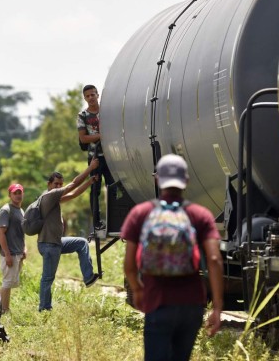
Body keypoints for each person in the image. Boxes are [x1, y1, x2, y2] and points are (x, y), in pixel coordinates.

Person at [121, 154, 224, 361]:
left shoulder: (140, 213)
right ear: (186, 181)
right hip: (191, 304)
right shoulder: (200, 214)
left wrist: (138, 290)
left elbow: (129, 264)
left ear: (157, 179)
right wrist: (218, 307)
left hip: (157, 301)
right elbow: (214, 260)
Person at [37, 158, 101, 312]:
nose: (59, 187)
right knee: (48, 278)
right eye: (56, 184)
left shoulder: (54, 199)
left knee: (81, 242)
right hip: (49, 244)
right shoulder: (48, 196)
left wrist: (90, 182)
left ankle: (88, 277)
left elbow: (74, 194)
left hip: (56, 242)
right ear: (49, 185)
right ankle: (44, 309)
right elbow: (73, 184)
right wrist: (90, 168)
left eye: (60, 184)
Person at [77, 84, 116, 232]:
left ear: (97, 95)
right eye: (87, 96)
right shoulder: (82, 116)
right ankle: (97, 222)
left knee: (113, 187)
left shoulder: (107, 112)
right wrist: (101, 135)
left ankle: (116, 219)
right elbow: (84, 138)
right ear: (85, 98)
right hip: (95, 158)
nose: (91, 98)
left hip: (112, 156)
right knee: (95, 189)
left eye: (93, 95)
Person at [0, 183, 27, 314]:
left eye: (20, 192)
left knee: (10, 283)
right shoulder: (5, 210)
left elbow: (22, 233)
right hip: (10, 253)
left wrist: (24, 249)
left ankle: (3, 308)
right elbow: (1, 233)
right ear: (10, 195)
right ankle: (3, 309)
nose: (18, 195)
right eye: (15, 193)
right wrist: (7, 255)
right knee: (7, 282)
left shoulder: (21, 211)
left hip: (18, 253)